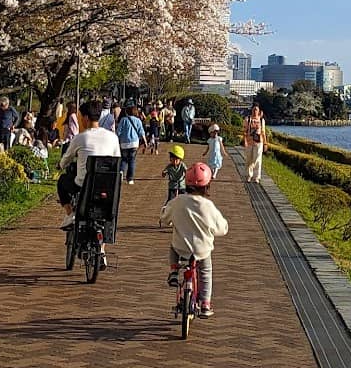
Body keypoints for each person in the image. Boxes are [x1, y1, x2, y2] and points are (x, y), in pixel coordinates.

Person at [160, 161, 229, 319]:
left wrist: (168, 218)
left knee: (173, 246)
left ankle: (174, 271)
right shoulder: (208, 206)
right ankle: (205, 304)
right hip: (201, 250)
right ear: (207, 186)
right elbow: (222, 228)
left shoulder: (178, 201)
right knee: (205, 272)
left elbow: (165, 217)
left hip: (181, 247)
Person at [57, 101, 121, 209]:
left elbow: (67, 158)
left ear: (86, 118)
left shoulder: (80, 138)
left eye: (80, 117)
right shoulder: (113, 138)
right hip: (106, 184)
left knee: (62, 181)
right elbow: (117, 160)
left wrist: (60, 165)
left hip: (83, 184)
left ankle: (69, 212)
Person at [115, 105, 146, 182]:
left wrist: (116, 140)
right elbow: (141, 132)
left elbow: (118, 131)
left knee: (124, 160)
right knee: (132, 160)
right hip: (134, 143)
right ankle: (130, 179)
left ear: (127, 112)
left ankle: (121, 173)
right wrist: (145, 142)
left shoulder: (123, 120)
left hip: (124, 143)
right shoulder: (138, 120)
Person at [242, 104, 268, 183]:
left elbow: (263, 132)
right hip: (249, 142)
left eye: (256, 109)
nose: (254, 111)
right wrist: (245, 141)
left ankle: (257, 177)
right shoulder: (247, 119)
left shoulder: (261, 120)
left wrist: (265, 143)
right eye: (253, 109)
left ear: (259, 111)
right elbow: (244, 131)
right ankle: (249, 175)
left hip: (258, 142)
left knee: (257, 159)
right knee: (248, 159)